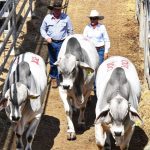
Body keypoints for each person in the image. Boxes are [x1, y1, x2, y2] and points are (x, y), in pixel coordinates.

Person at [40, 0, 73, 88]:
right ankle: (54, 78)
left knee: (63, 61)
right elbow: (42, 29)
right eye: (56, 9)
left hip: (63, 42)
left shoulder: (66, 18)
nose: (57, 11)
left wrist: (68, 41)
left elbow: (70, 30)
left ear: (61, 10)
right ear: (53, 9)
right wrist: (47, 37)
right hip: (52, 42)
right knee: (53, 61)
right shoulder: (47, 18)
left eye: (59, 10)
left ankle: (62, 78)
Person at [83, 10, 110, 95]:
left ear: (97, 19)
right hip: (90, 51)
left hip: (100, 50)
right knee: (89, 70)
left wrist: (106, 51)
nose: (93, 20)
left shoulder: (102, 27)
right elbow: (84, 39)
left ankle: (97, 88)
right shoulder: (87, 28)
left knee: (99, 69)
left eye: (94, 19)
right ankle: (90, 87)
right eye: (91, 18)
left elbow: (106, 40)